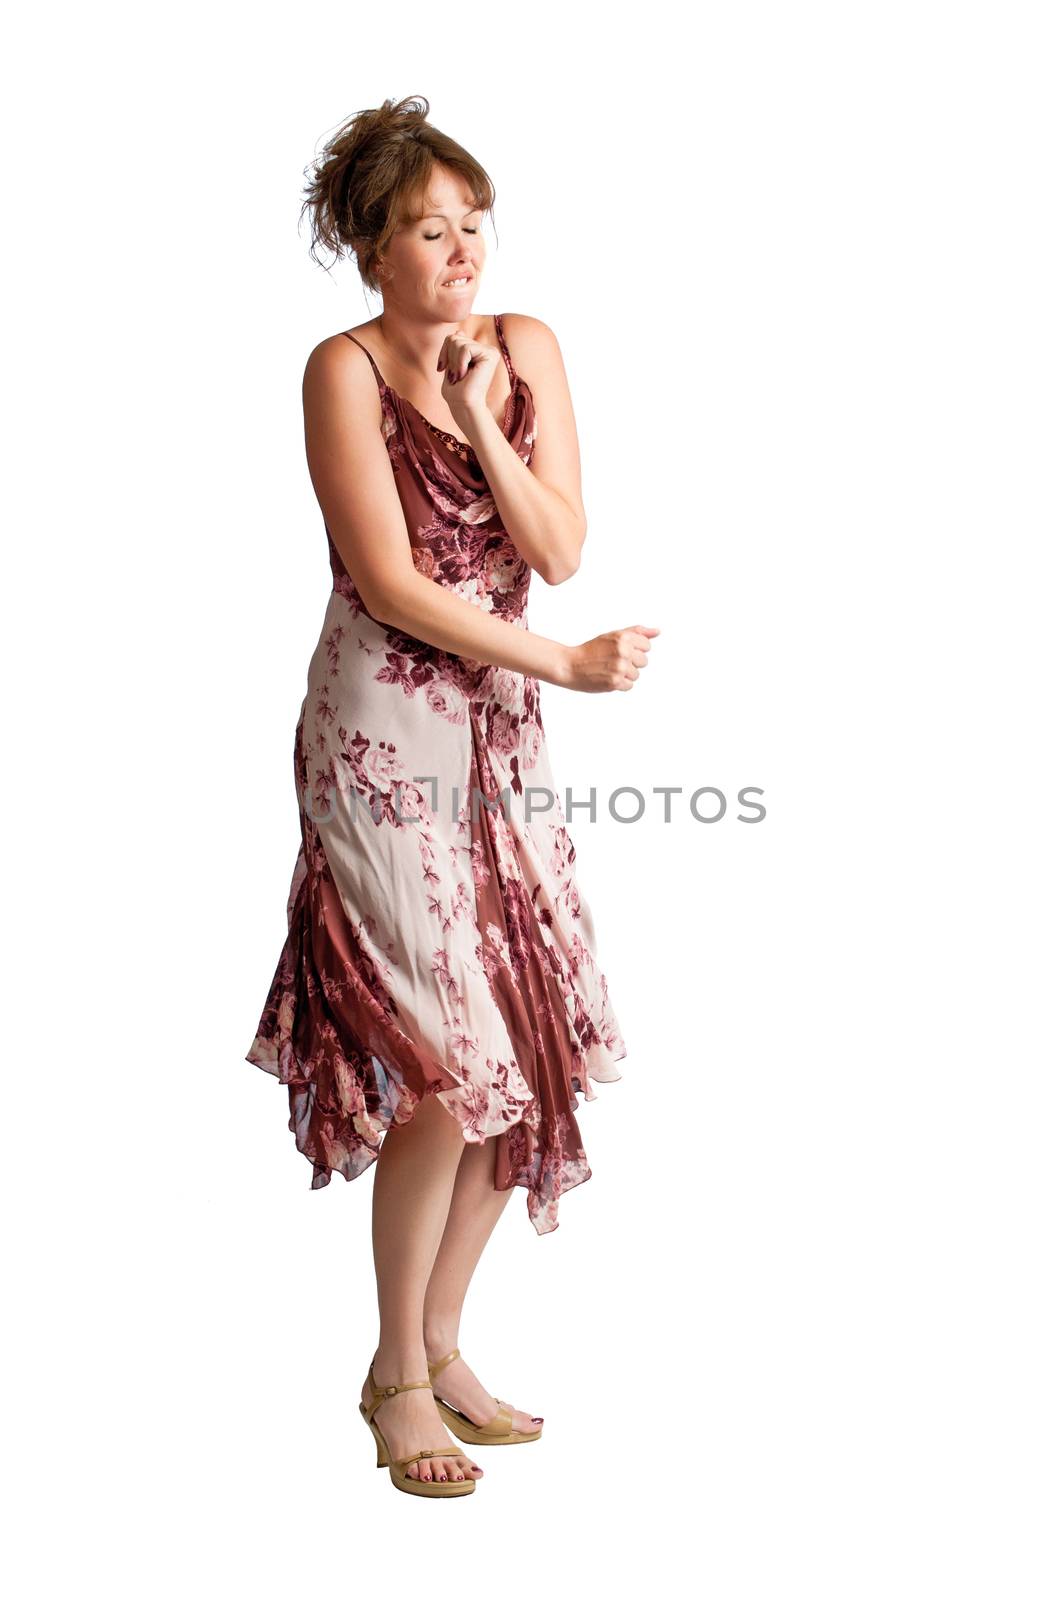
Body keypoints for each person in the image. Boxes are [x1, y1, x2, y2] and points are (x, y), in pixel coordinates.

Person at [245, 95, 659, 1499]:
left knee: (528, 1050)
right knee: (443, 1060)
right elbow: (391, 584)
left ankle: (432, 1348)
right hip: (379, 738)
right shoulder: (343, 369)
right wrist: (564, 662)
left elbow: (560, 542)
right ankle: (396, 1377)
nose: (462, 250)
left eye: (474, 223)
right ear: (372, 248)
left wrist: (485, 417)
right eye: (428, 229)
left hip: (502, 731)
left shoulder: (526, 349)